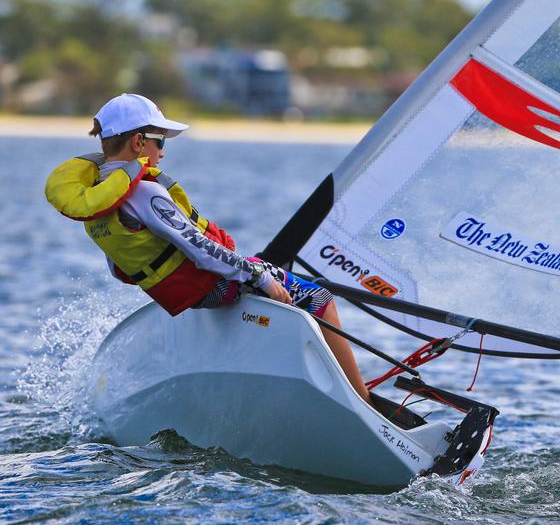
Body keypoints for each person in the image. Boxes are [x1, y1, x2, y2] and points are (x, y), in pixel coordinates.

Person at [45, 93, 372, 402]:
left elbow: (120, 267)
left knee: (270, 274)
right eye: (160, 141)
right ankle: (363, 400)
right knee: (319, 297)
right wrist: (260, 278)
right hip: (213, 288)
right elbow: (199, 247)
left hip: (189, 295)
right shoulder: (145, 192)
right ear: (138, 142)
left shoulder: (98, 198)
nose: (163, 153)